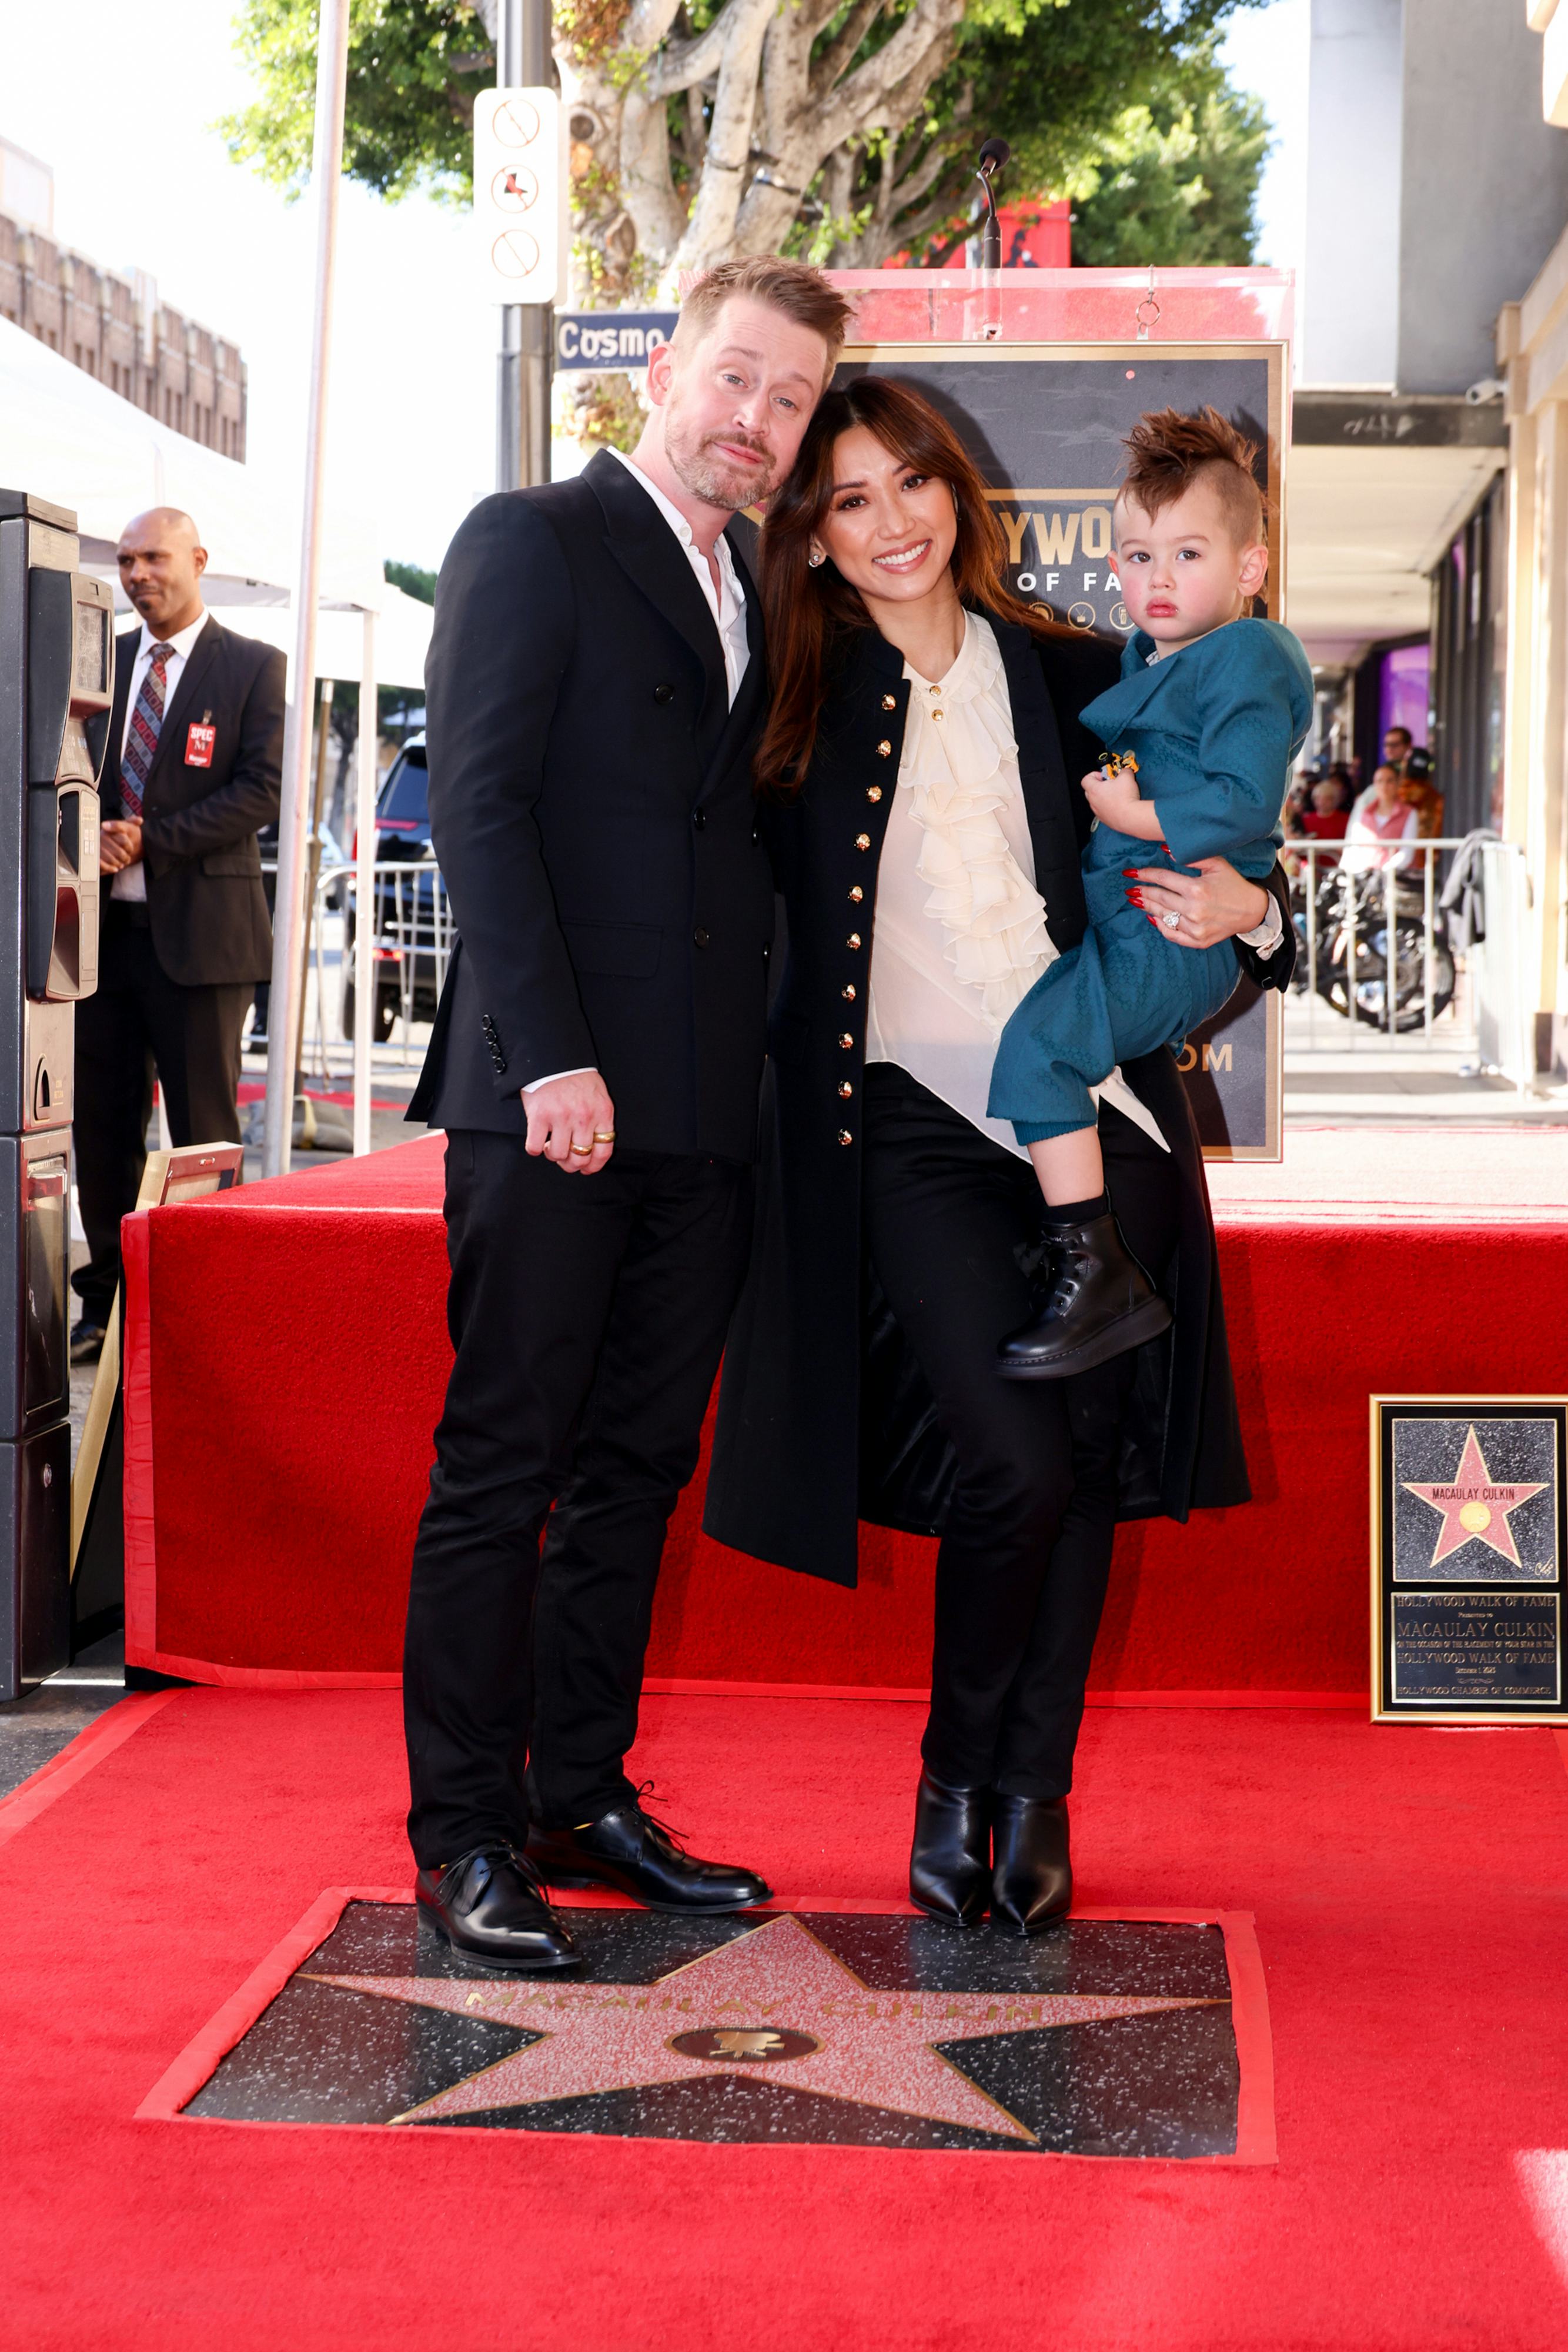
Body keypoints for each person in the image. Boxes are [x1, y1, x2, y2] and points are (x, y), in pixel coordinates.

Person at [704, 378, 1294, 1935]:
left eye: (914, 484)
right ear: (813, 538)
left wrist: (1262, 916)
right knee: (1015, 1457)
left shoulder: (1079, 670)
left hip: (1106, 1121)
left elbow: (1237, 843)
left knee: (1083, 1466)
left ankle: (1033, 1796)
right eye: (851, 500)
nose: (895, 522)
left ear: (956, 492)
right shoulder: (786, 697)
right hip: (906, 1130)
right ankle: (958, 1776)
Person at [402, 257, 854, 1972]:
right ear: (666, 367)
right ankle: (460, 1832)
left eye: (789, 397)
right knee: (501, 1461)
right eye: (735, 376)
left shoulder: (758, 579)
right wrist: (544, 1060)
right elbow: (487, 807)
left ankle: (576, 1793)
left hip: (702, 1111)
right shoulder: (534, 534)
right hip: (557, 1096)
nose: (754, 417)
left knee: (632, 1471)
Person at [987, 409, 1312, 1378]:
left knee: (1039, 1055)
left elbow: (1246, 803)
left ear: (1248, 569)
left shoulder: (1243, 655)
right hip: (1113, 931)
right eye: (1135, 556)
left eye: (1184, 554)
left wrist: (1238, 896)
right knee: (1041, 1056)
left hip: (1160, 928)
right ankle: (1086, 1261)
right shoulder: (1142, 656)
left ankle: (1095, 1269)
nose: (1155, 579)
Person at [71, 508, 283, 1363]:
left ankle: (203, 1304)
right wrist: (91, 831)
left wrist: (148, 836)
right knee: (101, 1128)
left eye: (153, 557)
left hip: (203, 942)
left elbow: (261, 791)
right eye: (125, 561)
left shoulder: (252, 668)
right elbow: (65, 765)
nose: (136, 574)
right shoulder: (100, 664)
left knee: (199, 1131)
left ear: (197, 559)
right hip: (99, 938)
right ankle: (107, 1305)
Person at [1343, 763, 1419, 873]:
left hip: (1395, 878)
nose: (1384, 786)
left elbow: (1407, 851)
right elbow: (1354, 845)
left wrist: (1385, 872)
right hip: (1365, 878)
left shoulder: (1410, 813)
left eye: (1390, 781)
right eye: (1380, 781)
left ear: (1398, 784)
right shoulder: (1364, 813)